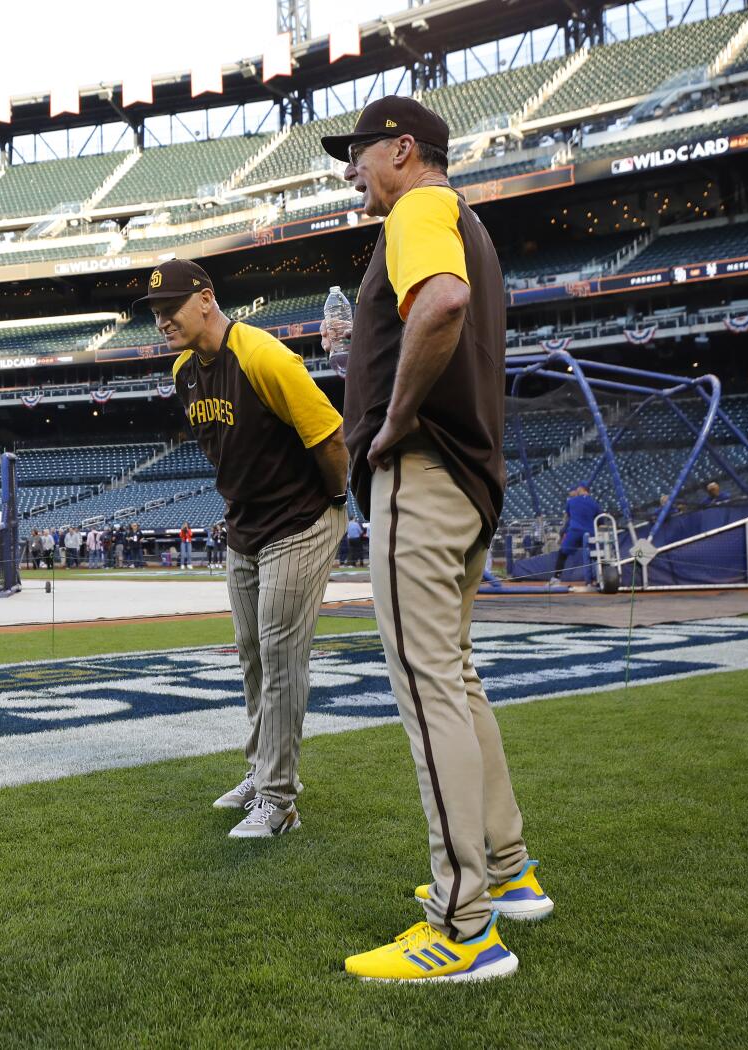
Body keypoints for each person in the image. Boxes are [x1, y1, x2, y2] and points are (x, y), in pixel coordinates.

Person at [322, 96, 550, 983]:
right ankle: (508, 867)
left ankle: (464, 926)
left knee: (427, 688)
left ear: (405, 150)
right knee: (454, 677)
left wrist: (390, 423)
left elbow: (442, 303)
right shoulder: (466, 219)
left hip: (422, 472)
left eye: (359, 154)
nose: (351, 171)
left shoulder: (420, 208)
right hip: (465, 479)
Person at [144, 258, 348, 839]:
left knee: (282, 657)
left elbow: (330, 435)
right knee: (251, 655)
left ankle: (280, 801)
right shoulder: (186, 372)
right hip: (246, 527)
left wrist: (335, 498)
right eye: (156, 313)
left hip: (300, 521)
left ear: (206, 298)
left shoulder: (263, 355)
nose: (162, 320)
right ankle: (262, 775)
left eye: (171, 307)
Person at [549, 484, 600, 587]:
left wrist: (562, 533)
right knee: (596, 555)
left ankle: (556, 579)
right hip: (590, 532)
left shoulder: (571, 501)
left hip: (575, 531)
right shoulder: (595, 503)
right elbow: (600, 521)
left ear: (580, 489)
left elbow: (569, 517)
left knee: (562, 554)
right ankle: (598, 580)